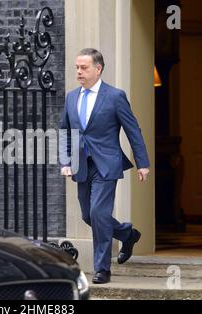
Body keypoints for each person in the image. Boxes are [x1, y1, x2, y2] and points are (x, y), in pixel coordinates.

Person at [60, 48, 150, 284]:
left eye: (84, 67)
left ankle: (102, 269)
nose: (79, 72)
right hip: (82, 165)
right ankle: (127, 234)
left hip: (106, 164)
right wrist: (65, 161)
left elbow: (133, 129)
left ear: (98, 69)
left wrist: (143, 163)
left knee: (99, 213)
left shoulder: (115, 96)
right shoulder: (71, 97)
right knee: (89, 215)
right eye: (77, 67)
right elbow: (64, 132)